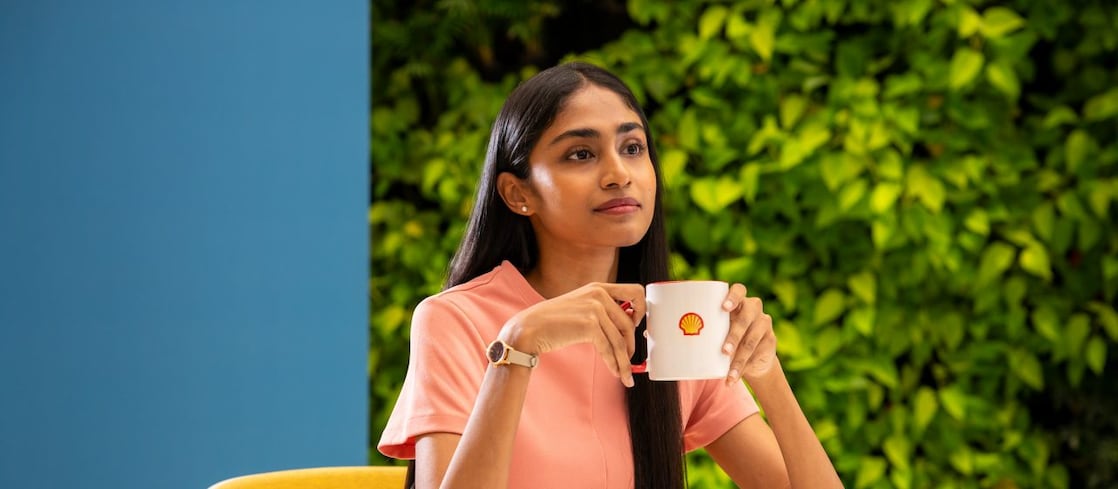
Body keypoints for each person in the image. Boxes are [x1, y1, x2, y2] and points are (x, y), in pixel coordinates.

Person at [378, 61, 842, 489]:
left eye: (633, 147)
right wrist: (517, 346)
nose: (619, 173)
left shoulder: (678, 327)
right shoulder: (455, 320)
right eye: (581, 154)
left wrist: (767, 375)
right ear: (518, 193)